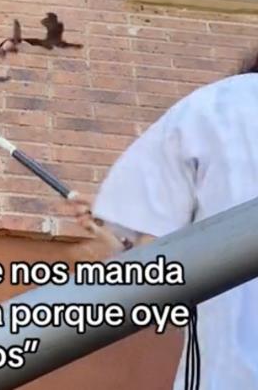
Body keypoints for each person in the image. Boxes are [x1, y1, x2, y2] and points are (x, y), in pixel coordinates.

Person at [70, 55, 258, 390]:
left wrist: (117, 242)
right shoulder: (214, 112)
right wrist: (119, 240)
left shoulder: (214, 110)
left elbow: (145, 265)